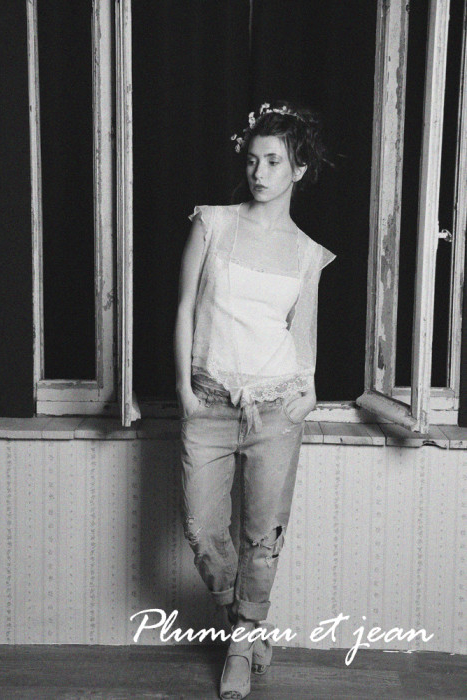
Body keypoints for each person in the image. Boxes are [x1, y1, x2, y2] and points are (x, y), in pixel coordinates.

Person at [174, 100, 336, 699]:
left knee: (262, 539)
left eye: (273, 161)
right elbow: (185, 308)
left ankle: (240, 647)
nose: (259, 173)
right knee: (202, 530)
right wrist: (184, 391)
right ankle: (246, 626)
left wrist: (307, 393)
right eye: (252, 160)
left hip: (275, 410)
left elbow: (302, 332)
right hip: (209, 402)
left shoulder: (307, 253)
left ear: (298, 169)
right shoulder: (212, 223)